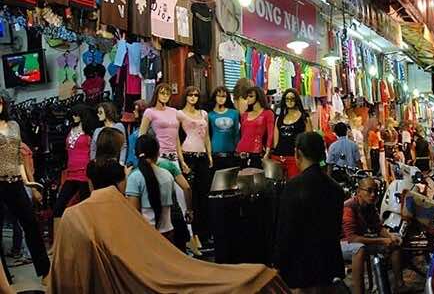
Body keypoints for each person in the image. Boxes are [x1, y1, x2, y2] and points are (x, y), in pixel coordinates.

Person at [50, 139, 284, 294]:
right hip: (166, 238)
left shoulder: (75, 216)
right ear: (121, 181)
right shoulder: (161, 177)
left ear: (91, 181)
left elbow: (68, 272)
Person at [274, 132, 345, 292]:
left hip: (301, 268)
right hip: (329, 264)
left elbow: (285, 231)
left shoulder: (293, 187)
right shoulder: (335, 188)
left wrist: (278, 264)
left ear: (297, 154)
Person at [0, 94, 50, 284]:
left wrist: (28, 181)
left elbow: (19, 157)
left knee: (31, 223)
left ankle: (45, 271)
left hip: (15, 182)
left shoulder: (14, 126)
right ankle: (4, 279)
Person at [139, 83, 193, 252]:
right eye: (162, 92)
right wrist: (144, 157)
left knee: (183, 196)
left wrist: (182, 159)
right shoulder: (150, 112)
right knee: (165, 197)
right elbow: (142, 135)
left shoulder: (174, 112)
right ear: (157, 94)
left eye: (167, 93)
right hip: (159, 158)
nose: (165, 95)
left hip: (174, 157)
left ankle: (187, 238)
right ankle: (165, 239)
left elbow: (176, 137)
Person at [341, 177, 402, 294]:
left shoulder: (369, 206)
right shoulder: (349, 207)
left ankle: (399, 285)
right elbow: (352, 238)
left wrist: (389, 236)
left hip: (358, 240)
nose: (373, 194)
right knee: (359, 249)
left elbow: (378, 227)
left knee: (394, 244)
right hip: (342, 243)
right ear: (359, 191)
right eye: (369, 191)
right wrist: (382, 241)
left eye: (376, 191)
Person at [51, 104, 95, 253]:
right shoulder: (71, 130)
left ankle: (88, 243)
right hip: (71, 174)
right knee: (58, 207)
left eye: (76, 114)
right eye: (73, 114)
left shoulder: (90, 133)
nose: (73, 116)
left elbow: (92, 154)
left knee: (85, 210)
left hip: (84, 174)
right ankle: (56, 244)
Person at [178, 86, 213, 249]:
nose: (193, 98)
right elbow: (176, 138)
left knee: (204, 194)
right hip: (188, 155)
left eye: (196, 95)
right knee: (191, 197)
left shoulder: (204, 114)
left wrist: (209, 154)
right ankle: (194, 235)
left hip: (202, 156)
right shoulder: (180, 114)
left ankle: (205, 234)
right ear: (185, 96)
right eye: (190, 95)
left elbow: (206, 137)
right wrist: (181, 159)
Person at [126, 135, 175, 239]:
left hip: (145, 235)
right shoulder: (168, 175)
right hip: (167, 233)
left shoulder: (134, 177)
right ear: (158, 153)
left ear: (135, 153)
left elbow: (133, 212)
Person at [272, 88, 312, 179]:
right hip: (278, 157)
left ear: (296, 100)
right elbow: (275, 141)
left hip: (295, 158)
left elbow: (309, 140)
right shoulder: (279, 119)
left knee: (295, 185)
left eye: (292, 98)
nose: (289, 101)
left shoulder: (304, 118)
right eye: (287, 99)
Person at [236, 86, 274, 169]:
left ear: (259, 96)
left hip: (257, 152)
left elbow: (271, 134)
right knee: (242, 179)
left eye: (251, 96)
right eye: (247, 97)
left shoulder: (268, 113)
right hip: (241, 151)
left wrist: (267, 152)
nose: (248, 99)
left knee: (257, 179)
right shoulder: (245, 115)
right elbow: (242, 134)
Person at [208, 86, 240, 170]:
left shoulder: (234, 113)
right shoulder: (209, 114)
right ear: (214, 97)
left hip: (232, 152)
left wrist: (237, 149)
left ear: (227, 98)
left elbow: (236, 133)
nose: (221, 99)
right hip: (215, 151)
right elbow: (207, 135)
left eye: (223, 96)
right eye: (218, 96)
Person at [126, 100, 147, 168]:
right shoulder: (133, 126)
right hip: (130, 162)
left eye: (136, 110)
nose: (133, 112)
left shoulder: (147, 128)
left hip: (139, 164)